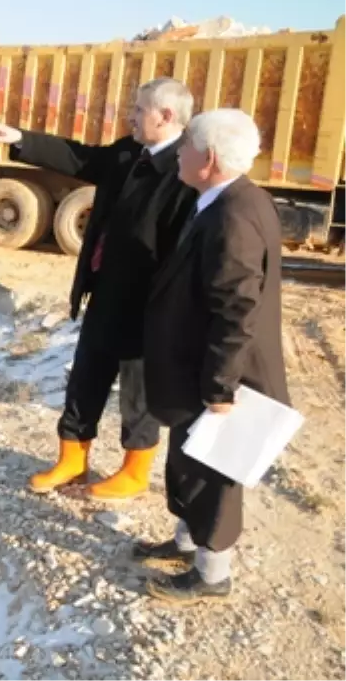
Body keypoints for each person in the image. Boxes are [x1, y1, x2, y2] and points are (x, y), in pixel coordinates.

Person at [0, 78, 197, 500]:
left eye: (139, 110)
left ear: (166, 116)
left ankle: (134, 471)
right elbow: (80, 158)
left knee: (139, 391)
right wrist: (20, 139)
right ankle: (72, 460)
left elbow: (182, 253)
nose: (131, 116)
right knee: (85, 376)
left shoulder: (183, 172)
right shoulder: (128, 152)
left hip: (147, 306)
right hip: (105, 293)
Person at [134, 108, 288, 603]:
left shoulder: (233, 216)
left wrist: (221, 387)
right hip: (197, 367)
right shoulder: (228, 199)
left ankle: (212, 576)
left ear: (210, 157)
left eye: (188, 145)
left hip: (220, 375)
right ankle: (185, 544)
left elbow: (237, 309)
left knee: (213, 474)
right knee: (187, 460)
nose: (180, 151)